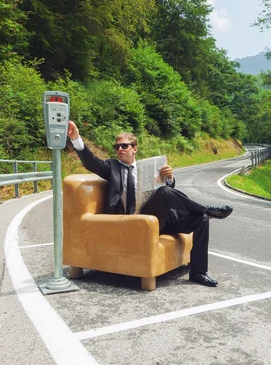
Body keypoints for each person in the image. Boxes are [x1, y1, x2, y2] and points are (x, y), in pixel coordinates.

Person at [67, 121, 233, 287]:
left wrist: (169, 179)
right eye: (116, 147)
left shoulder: (149, 168)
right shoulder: (112, 167)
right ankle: (208, 209)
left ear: (135, 148)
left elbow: (169, 193)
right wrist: (76, 139)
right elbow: (91, 162)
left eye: (124, 146)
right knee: (172, 197)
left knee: (201, 219)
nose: (119, 150)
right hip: (135, 221)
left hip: (161, 220)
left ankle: (198, 272)